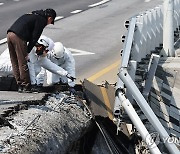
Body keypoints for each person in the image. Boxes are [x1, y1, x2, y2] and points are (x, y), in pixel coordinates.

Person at [7, 8, 56, 93]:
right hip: (19, 37)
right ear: (50, 18)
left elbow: (30, 34)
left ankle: (19, 84)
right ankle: (26, 85)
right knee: (23, 61)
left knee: (14, 61)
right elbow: (34, 37)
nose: (48, 24)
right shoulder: (41, 20)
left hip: (10, 34)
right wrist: (27, 51)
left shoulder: (34, 15)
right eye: (50, 22)